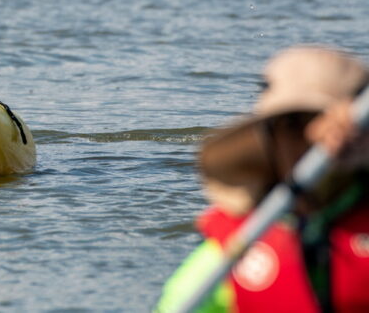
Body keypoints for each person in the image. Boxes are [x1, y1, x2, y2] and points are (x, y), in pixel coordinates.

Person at [156, 45, 369, 312]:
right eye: (291, 124)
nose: (312, 137)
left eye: (320, 120)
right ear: (266, 139)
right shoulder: (226, 258)